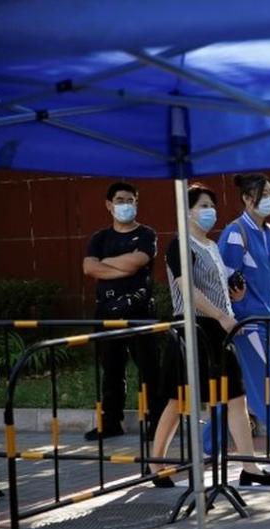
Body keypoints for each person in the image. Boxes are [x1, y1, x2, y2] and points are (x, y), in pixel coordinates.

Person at [149, 183, 270, 487]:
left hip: (219, 330)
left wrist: (233, 298)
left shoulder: (211, 246)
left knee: (236, 397)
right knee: (179, 399)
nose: (210, 212)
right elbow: (187, 290)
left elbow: (215, 288)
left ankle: (250, 468)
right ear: (187, 211)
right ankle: (156, 463)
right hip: (192, 328)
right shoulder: (179, 246)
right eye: (203, 206)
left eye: (212, 206)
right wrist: (222, 314)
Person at [213, 172, 270, 457]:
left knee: (235, 392)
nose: (269, 199)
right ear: (246, 198)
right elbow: (224, 282)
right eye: (262, 194)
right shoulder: (235, 234)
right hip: (247, 325)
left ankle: (208, 444)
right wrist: (235, 316)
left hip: (264, 322)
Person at [82, 181, 166, 441]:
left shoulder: (146, 234)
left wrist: (106, 264)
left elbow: (137, 263)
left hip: (139, 310)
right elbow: (89, 268)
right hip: (106, 310)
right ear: (109, 205)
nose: (125, 205)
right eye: (120, 200)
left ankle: (157, 423)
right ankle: (110, 423)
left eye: (130, 200)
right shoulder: (100, 238)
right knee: (111, 370)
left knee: (149, 369)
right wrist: (120, 265)